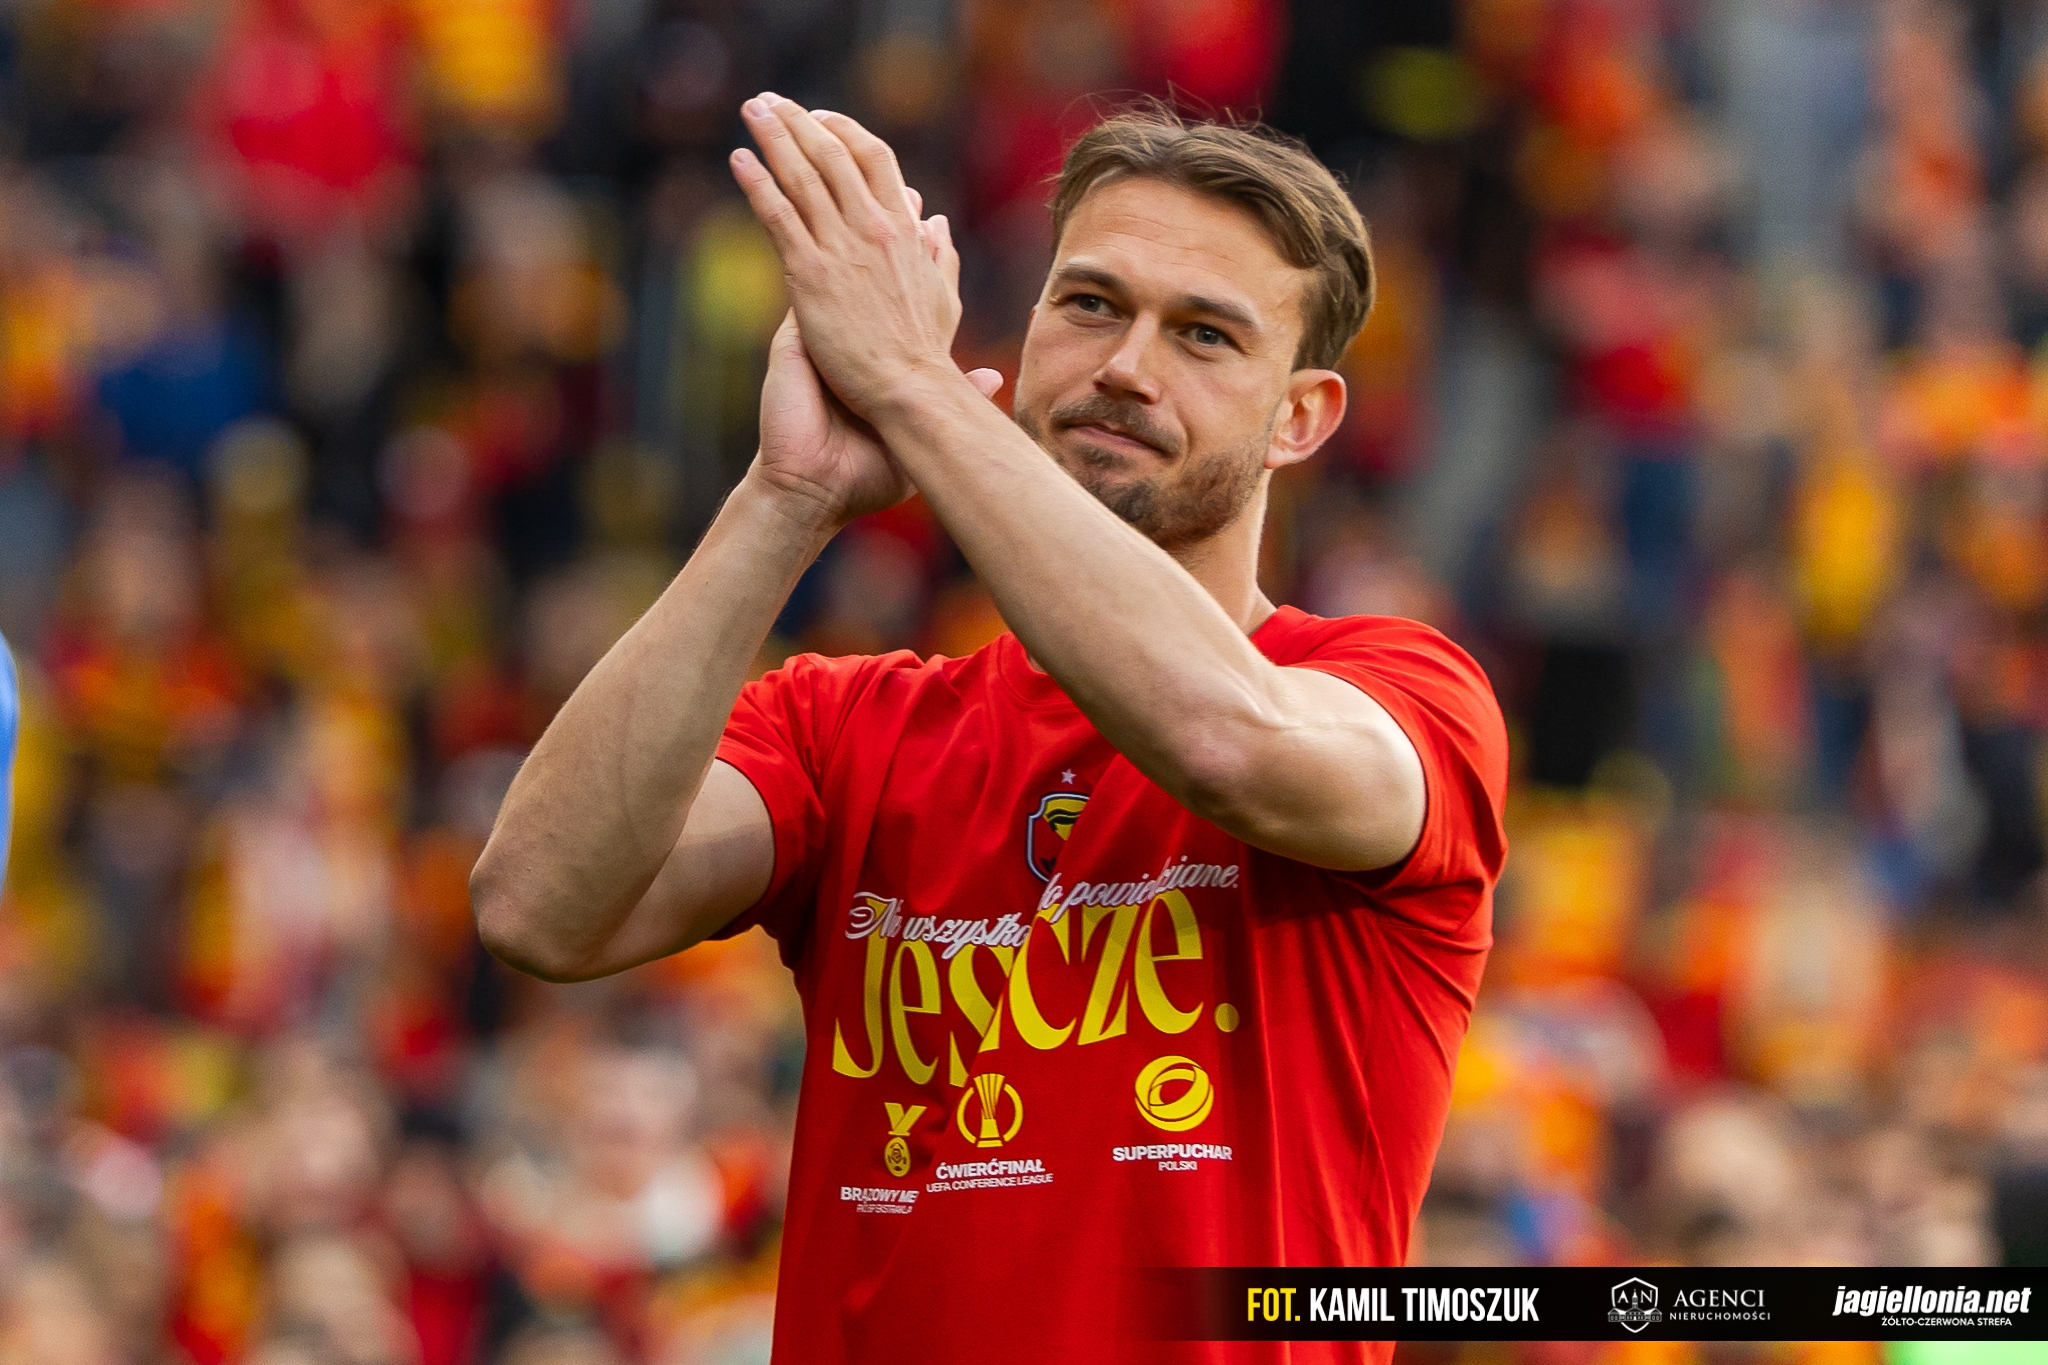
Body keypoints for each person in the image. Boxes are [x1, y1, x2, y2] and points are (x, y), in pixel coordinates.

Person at [473, 98, 1508, 1364]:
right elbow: (538, 908)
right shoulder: (844, 723)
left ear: (1299, 417)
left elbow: (1225, 743)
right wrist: (784, 498)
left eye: (1202, 334)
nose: (1125, 365)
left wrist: (910, 386)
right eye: (1089, 304)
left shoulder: (1403, 690)